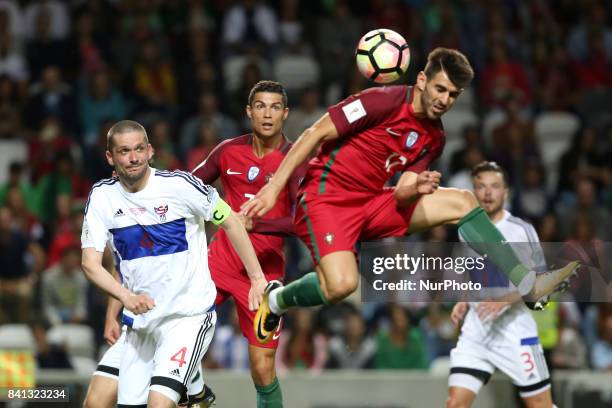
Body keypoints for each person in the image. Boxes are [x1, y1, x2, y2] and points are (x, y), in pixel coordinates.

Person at [241, 47, 579, 344]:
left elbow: (402, 194)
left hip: (374, 201)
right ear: (421, 80)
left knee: (463, 201)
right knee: (341, 286)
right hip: (326, 199)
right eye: (440, 88)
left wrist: (414, 188)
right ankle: (278, 300)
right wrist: (274, 187)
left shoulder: (434, 137)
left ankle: (527, 283)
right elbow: (314, 133)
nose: (444, 99)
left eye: (453, 94)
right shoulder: (381, 100)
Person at [80, 120, 267, 408]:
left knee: (159, 404)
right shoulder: (103, 197)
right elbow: (98, 264)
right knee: (98, 403)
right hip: (141, 325)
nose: (134, 158)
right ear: (110, 157)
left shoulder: (180, 186)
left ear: (151, 151)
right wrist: (119, 304)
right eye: (125, 151)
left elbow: (230, 221)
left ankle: (193, 388)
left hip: (186, 317)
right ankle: (196, 392)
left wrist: (257, 278)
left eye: (140, 149)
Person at [191, 80, 305, 407]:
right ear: (248, 111)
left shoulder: (295, 160)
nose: (267, 114)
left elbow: (303, 221)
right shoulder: (228, 151)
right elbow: (187, 188)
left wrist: (259, 223)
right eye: (260, 106)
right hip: (219, 261)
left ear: (285, 114)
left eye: (274, 107)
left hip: (265, 275)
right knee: (181, 328)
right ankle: (195, 392)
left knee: (262, 369)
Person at [447, 161, 556, 408]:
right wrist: (463, 299)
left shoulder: (521, 230)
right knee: (455, 404)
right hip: (477, 329)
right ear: (473, 191)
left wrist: (503, 301)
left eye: (494, 186)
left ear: (505, 192)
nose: (487, 193)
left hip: (515, 329)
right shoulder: (466, 230)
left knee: (541, 405)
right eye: (481, 187)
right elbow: (470, 273)